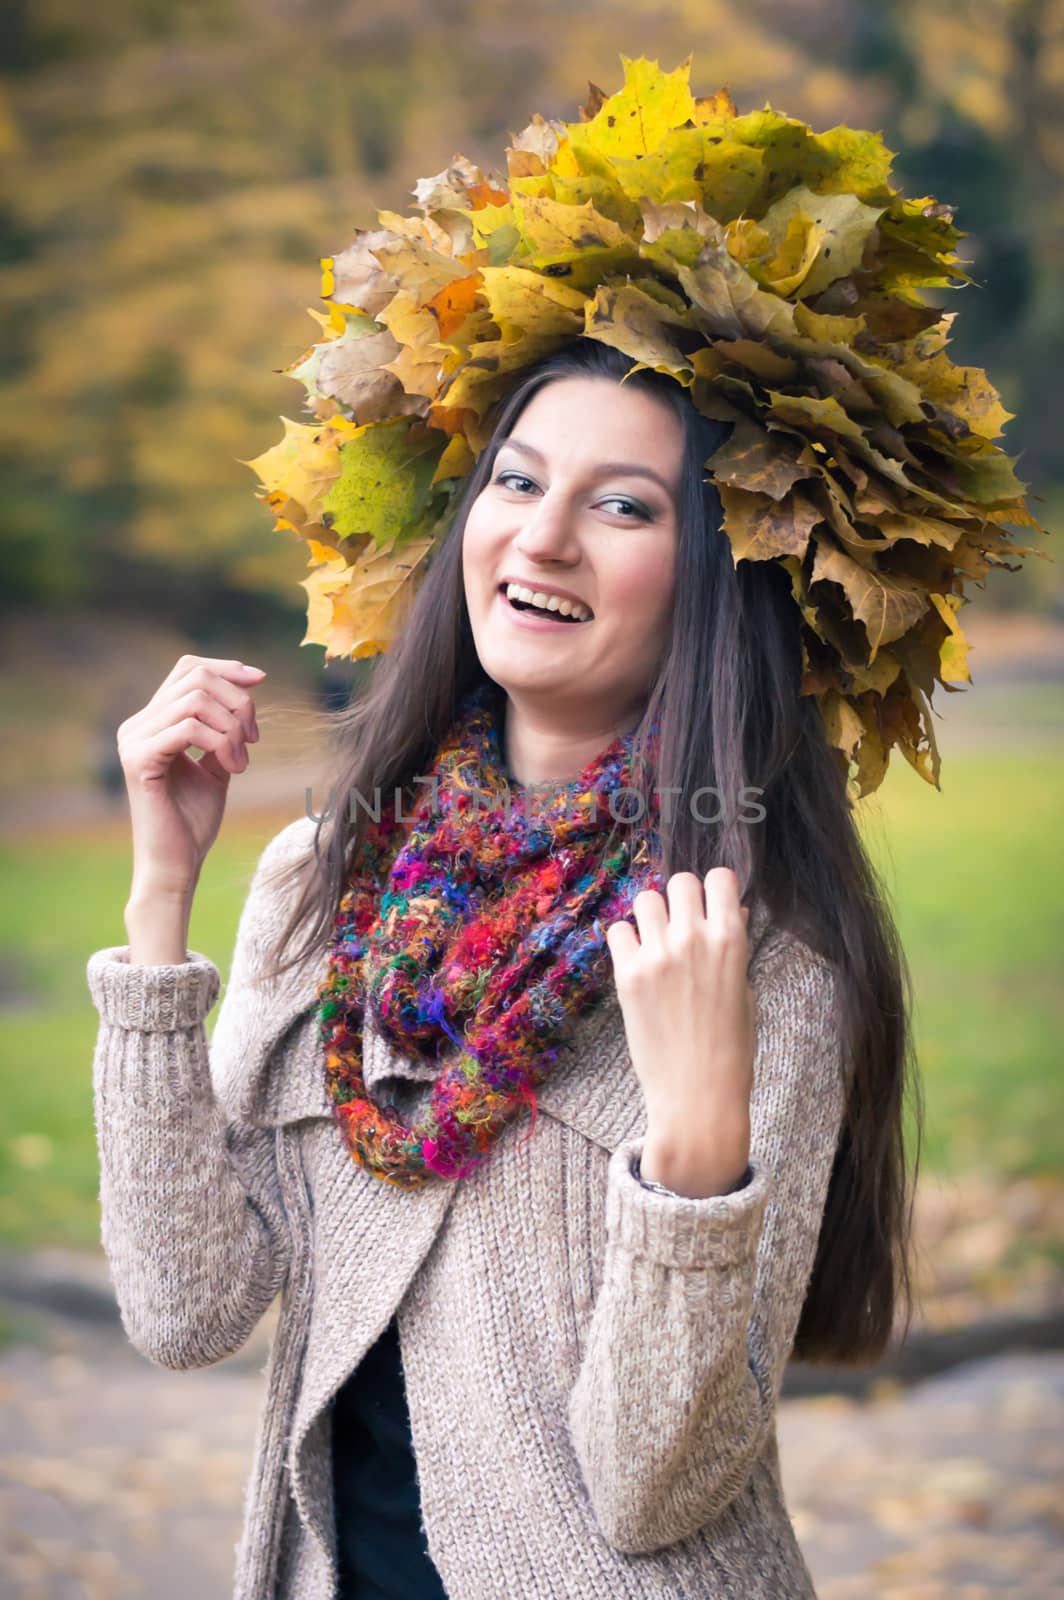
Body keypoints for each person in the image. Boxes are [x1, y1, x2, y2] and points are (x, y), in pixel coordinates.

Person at [87, 337, 920, 1600]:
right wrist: (161, 901)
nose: (542, 540)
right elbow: (185, 1310)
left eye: (623, 506)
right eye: (518, 483)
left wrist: (695, 1144)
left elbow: (654, 1489)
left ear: (713, 577)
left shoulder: (756, 957)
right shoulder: (325, 886)